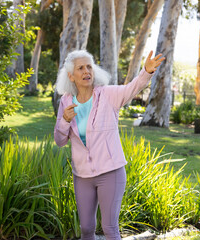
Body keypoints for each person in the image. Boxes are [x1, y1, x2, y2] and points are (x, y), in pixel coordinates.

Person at [54, 49, 165, 240]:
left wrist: (146, 71)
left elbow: (132, 87)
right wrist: (64, 120)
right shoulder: (66, 101)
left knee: (109, 228)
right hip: (82, 175)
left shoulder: (108, 95)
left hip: (110, 172)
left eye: (89, 66)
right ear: (71, 76)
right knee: (87, 228)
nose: (86, 71)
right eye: (80, 68)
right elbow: (60, 140)